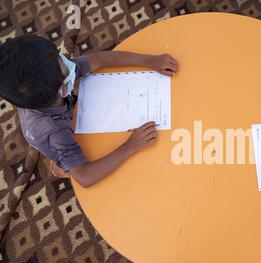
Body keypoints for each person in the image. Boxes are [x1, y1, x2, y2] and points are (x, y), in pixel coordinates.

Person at [0, 35, 179, 187]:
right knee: (67, 156)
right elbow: (85, 178)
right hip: (51, 135)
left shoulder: (51, 77)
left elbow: (100, 59)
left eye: (59, 57)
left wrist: (149, 61)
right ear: (64, 89)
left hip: (51, 117)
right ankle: (63, 163)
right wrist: (130, 146)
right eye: (61, 62)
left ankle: (65, 159)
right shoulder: (56, 131)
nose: (67, 61)